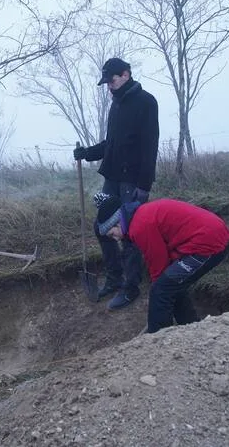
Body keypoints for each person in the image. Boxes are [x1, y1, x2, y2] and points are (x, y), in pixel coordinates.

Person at [73, 57, 159, 310]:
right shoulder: (116, 105)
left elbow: (150, 146)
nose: (109, 86)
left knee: (130, 234)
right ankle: (115, 279)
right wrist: (87, 153)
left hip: (133, 181)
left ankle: (131, 288)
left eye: (111, 80)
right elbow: (111, 144)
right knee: (102, 227)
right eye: (107, 82)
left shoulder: (146, 102)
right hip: (112, 179)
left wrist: (144, 185)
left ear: (125, 74)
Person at [95, 193, 229, 333]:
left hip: (209, 242)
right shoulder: (140, 216)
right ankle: (190, 327)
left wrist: (157, 292)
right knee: (171, 284)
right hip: (208, 234)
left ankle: (158, 339)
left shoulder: (139, 226)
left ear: (118, 222)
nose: (116, 239)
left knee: (162, 289)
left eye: (112, 234)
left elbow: (158, 264)